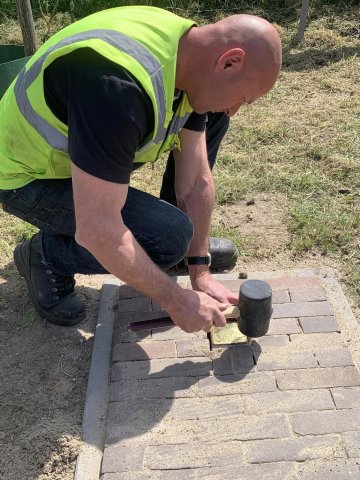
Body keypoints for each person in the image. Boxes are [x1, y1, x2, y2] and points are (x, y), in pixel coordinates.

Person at [0, 6, 282, 333]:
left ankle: (174, 247)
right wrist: (176, 300)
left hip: (77, 148)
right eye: (242, 98)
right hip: (26, 175)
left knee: (211, 122)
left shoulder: (190, 55)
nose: (235, 110)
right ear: (229, 61)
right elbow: (98, 228)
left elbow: (195, 181)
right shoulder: (116, 88)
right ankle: (46, 256)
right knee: (165, 238)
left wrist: (199, 269)